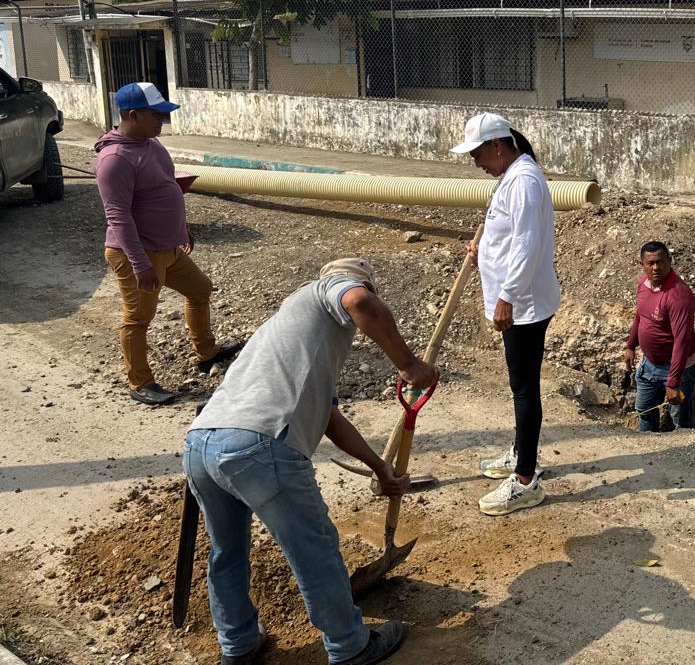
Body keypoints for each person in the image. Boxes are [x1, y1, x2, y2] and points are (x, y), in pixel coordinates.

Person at [185, 258, 438, 665]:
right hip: (259, 443)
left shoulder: (291, 334)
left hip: (201, 443)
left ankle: (238, 646)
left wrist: (379, 466)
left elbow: (330, 419)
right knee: (314, 549)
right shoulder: (327, 291)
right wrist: (408, 364)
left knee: (226, 552)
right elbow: (360, 302)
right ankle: (349, 646)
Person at [94, 82, 240, 405]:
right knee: (138, 318)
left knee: (200, 290)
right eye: (156, 114)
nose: (162, 120)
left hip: (168, 248)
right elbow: (118, 217)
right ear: (133, 115)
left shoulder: (151, 144)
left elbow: (166, 186)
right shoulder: (114, 160)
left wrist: (181, 229)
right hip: (138, 252)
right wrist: (140, 263)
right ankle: (140, 383)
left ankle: (207, 353)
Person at [453, 112, 560, 516]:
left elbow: (528, 246)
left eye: (477, 154)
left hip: (524, 305)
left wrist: (508, 297)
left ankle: (525, 479)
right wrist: (483, 250)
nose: (475, 163)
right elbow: (508, 235)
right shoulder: (511, 177)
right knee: (521, 386)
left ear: (497, 146)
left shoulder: (525, 181)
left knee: (524, 388)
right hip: (517, 300)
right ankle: (520, 451)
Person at [625, 241, 695, 431]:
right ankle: (647, 447)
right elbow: (640, 316)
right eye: (651, 263)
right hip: (649, 363)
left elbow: (682, 341)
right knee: (645, 410)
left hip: (676, 368)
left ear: (669, 261)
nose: (656, 267)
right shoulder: (643, 284)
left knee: (680, 420)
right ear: (642, 265)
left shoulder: (679, 295)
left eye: (660, 262)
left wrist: (673, 382)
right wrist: (630, 345)